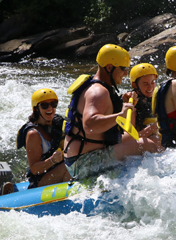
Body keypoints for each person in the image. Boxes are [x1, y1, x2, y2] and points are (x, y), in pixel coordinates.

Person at [63, 44, 158, 180]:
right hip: (83, 163)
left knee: (147, 139)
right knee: (148, 145)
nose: (126, 73)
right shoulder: (98, 91)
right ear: (109, 67)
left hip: (87, 156)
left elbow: (123, 129)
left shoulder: (101, 88)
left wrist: (124, 105)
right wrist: (120, 114)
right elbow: (89, 125)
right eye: (123, 68)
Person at [16, 88, 71, 188]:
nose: (50, 109)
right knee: (68, 168)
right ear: (36, 109)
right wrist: (53, 160)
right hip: (40, 180)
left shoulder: (58, 123)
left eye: (53, 104)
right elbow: (34, 169)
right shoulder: (33, 134)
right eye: (44, 106)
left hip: (57, 170)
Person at [128, 63, 160, 143]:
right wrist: (152, 128)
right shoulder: (132, 104)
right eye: (145, 84)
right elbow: (129, 139)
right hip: (140, 147)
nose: (150, 87)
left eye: (153, 82)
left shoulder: (158, 98)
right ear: (135, 85)